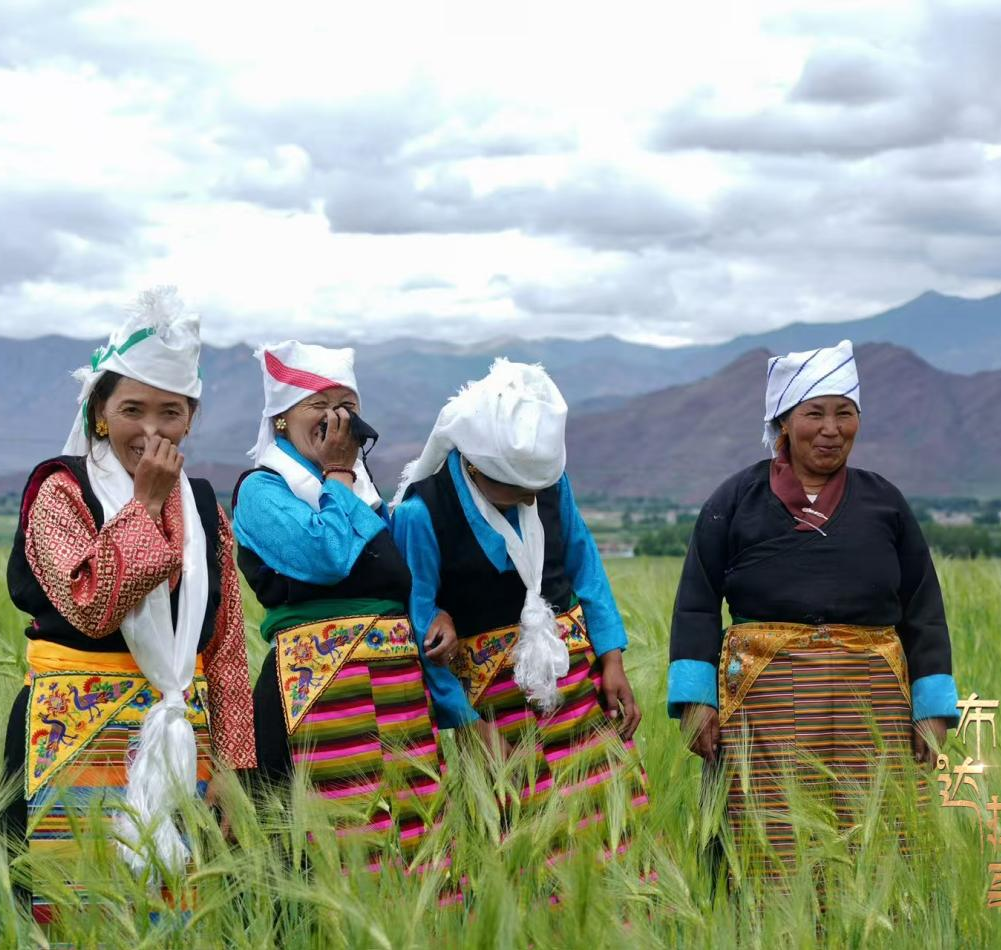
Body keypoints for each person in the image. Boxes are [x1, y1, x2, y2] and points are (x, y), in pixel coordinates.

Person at [0, 289, 255, 927]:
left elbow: (222, 642)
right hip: (71, 732)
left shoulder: (201, 506)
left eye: (169, 412)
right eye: (131, 409)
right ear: (99, 416)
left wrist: (232, 759)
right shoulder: (59, 489)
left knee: (175, 912)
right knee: (72, 910)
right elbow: (90, 606)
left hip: (176, 736)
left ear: (190, 418)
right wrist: (142, 506)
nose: (151, 429)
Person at [667, 339, 959, 876]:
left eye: (844, 414)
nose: (831, 428)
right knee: (763, 846)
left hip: (870, 708)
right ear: (783, 422)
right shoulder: (734, 501)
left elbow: (923, 607)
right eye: (814, 413)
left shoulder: (885, 502)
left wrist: (933, 707)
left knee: (874, 845)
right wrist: (696, 700)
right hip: (762, 704)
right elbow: (697, 603)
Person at [391, 359, 646, 858]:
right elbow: (420, 622)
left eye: (539, 487)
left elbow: (584, 561)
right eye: (518, 489)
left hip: (572, 684)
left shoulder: (546, 480)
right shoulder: (423, 514)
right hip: (491, 713)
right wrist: (467, 727)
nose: (532, 497)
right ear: (477, 465)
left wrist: (611, 657)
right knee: (525, 850)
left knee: (610, 834)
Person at [231, 341, 445, 866]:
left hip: (393, 689)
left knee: (408, 837)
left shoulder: (366, 494)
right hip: (315, 691)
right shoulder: (261, 491)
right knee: (328, 844)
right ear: (281, 420)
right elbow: (327, 555)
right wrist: (340, 474)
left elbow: (397, 576)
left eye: (346, 405)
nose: (336, 418)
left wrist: (434, 614)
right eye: (318, 404)